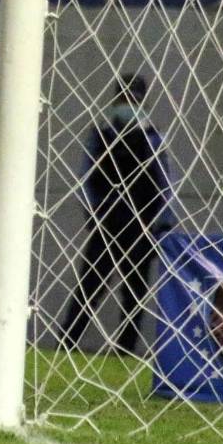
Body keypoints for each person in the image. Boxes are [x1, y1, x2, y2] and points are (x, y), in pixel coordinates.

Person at [59, 73, 175, 354]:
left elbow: (164, 184)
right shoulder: (108, 134)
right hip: (119, 222)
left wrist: (161, 221)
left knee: (124, 292)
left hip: (132, 223)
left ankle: (115, 348)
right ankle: (71, 342)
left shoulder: (147, 136)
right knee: (96, 288)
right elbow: (165, 183)